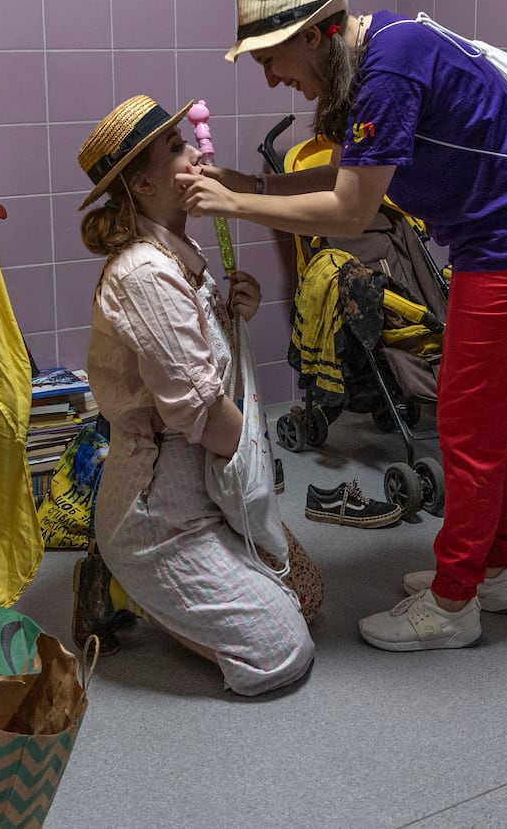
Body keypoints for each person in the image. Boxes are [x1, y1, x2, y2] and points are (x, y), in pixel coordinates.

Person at [178, 0, 507, 652]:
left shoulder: (389, 71)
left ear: (313, 36)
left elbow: (350, 209)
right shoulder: (384, 50)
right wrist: (254, 181)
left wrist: (235, 202)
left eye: (271, 59)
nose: (273, 79)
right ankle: (488, 571)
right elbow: (351, 173)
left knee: (465, 430)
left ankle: (454, 604)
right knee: (479, 422)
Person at [76, 93, 316, 696]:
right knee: (284, 650)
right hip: (162, 515)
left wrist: (235, 312)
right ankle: (124, 578)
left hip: (206, 486)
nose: (195, 155)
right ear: (144, 184)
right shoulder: (143, 275)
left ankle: (164, 585)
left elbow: (202, 360)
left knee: (308, 593)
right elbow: (208, 417)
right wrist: (254, 484)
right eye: (176, 149)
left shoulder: (181, 252)